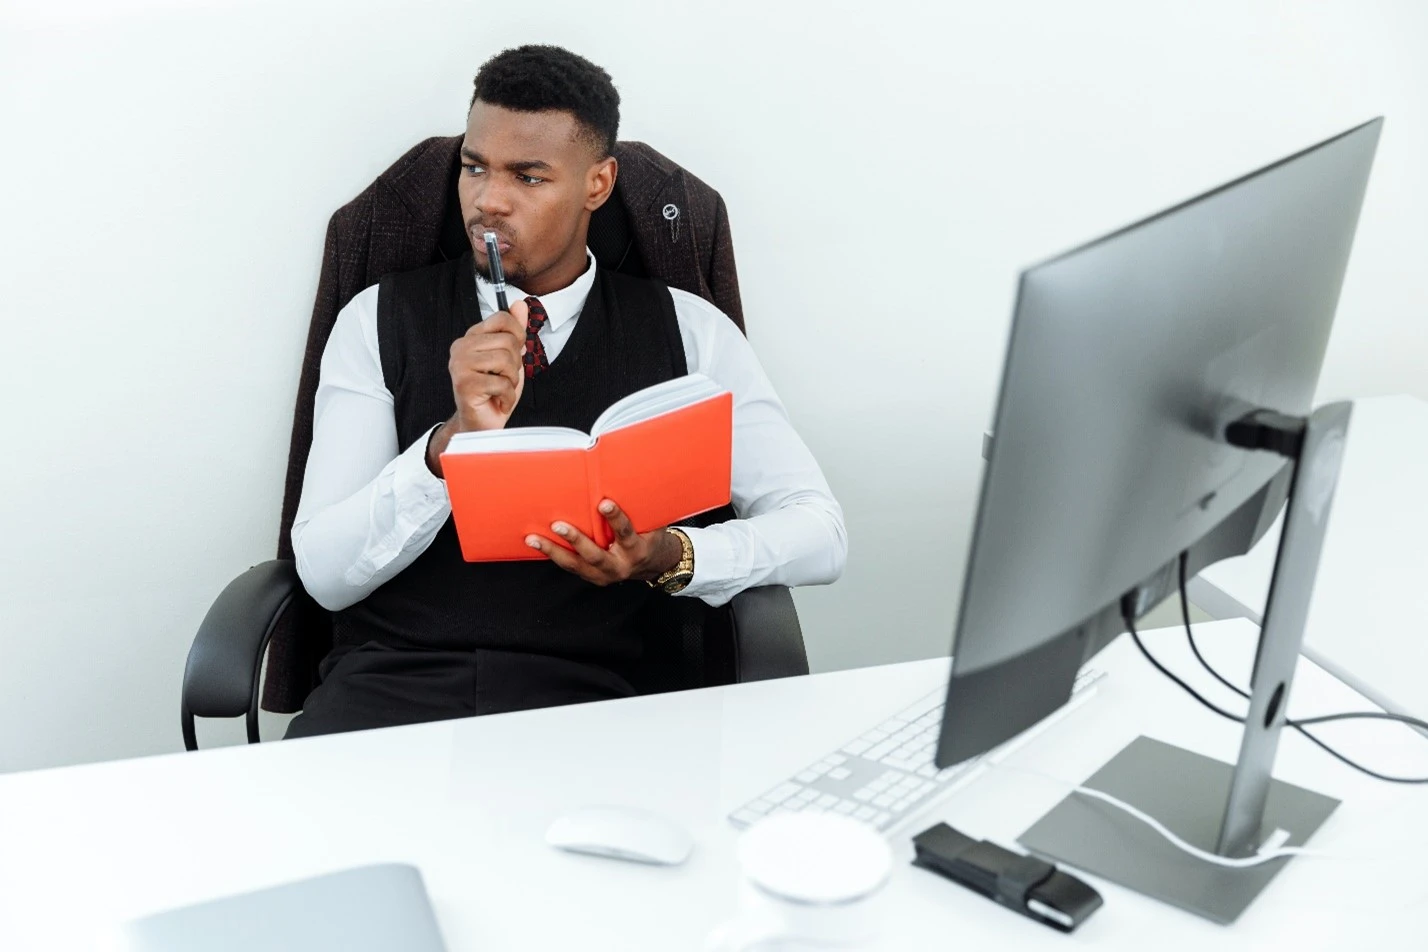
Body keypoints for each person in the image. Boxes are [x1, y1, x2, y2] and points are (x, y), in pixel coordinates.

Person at [284, 45, 846, 739]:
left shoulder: (694, 333)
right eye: (473, 166)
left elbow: (820, 532)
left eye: (529, 175)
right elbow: (325, 575)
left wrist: (672, 556)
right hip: (391, 691)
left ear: (598, 184)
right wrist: (448, 448)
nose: (489, 199)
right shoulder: (375, 318)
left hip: (603, 703)